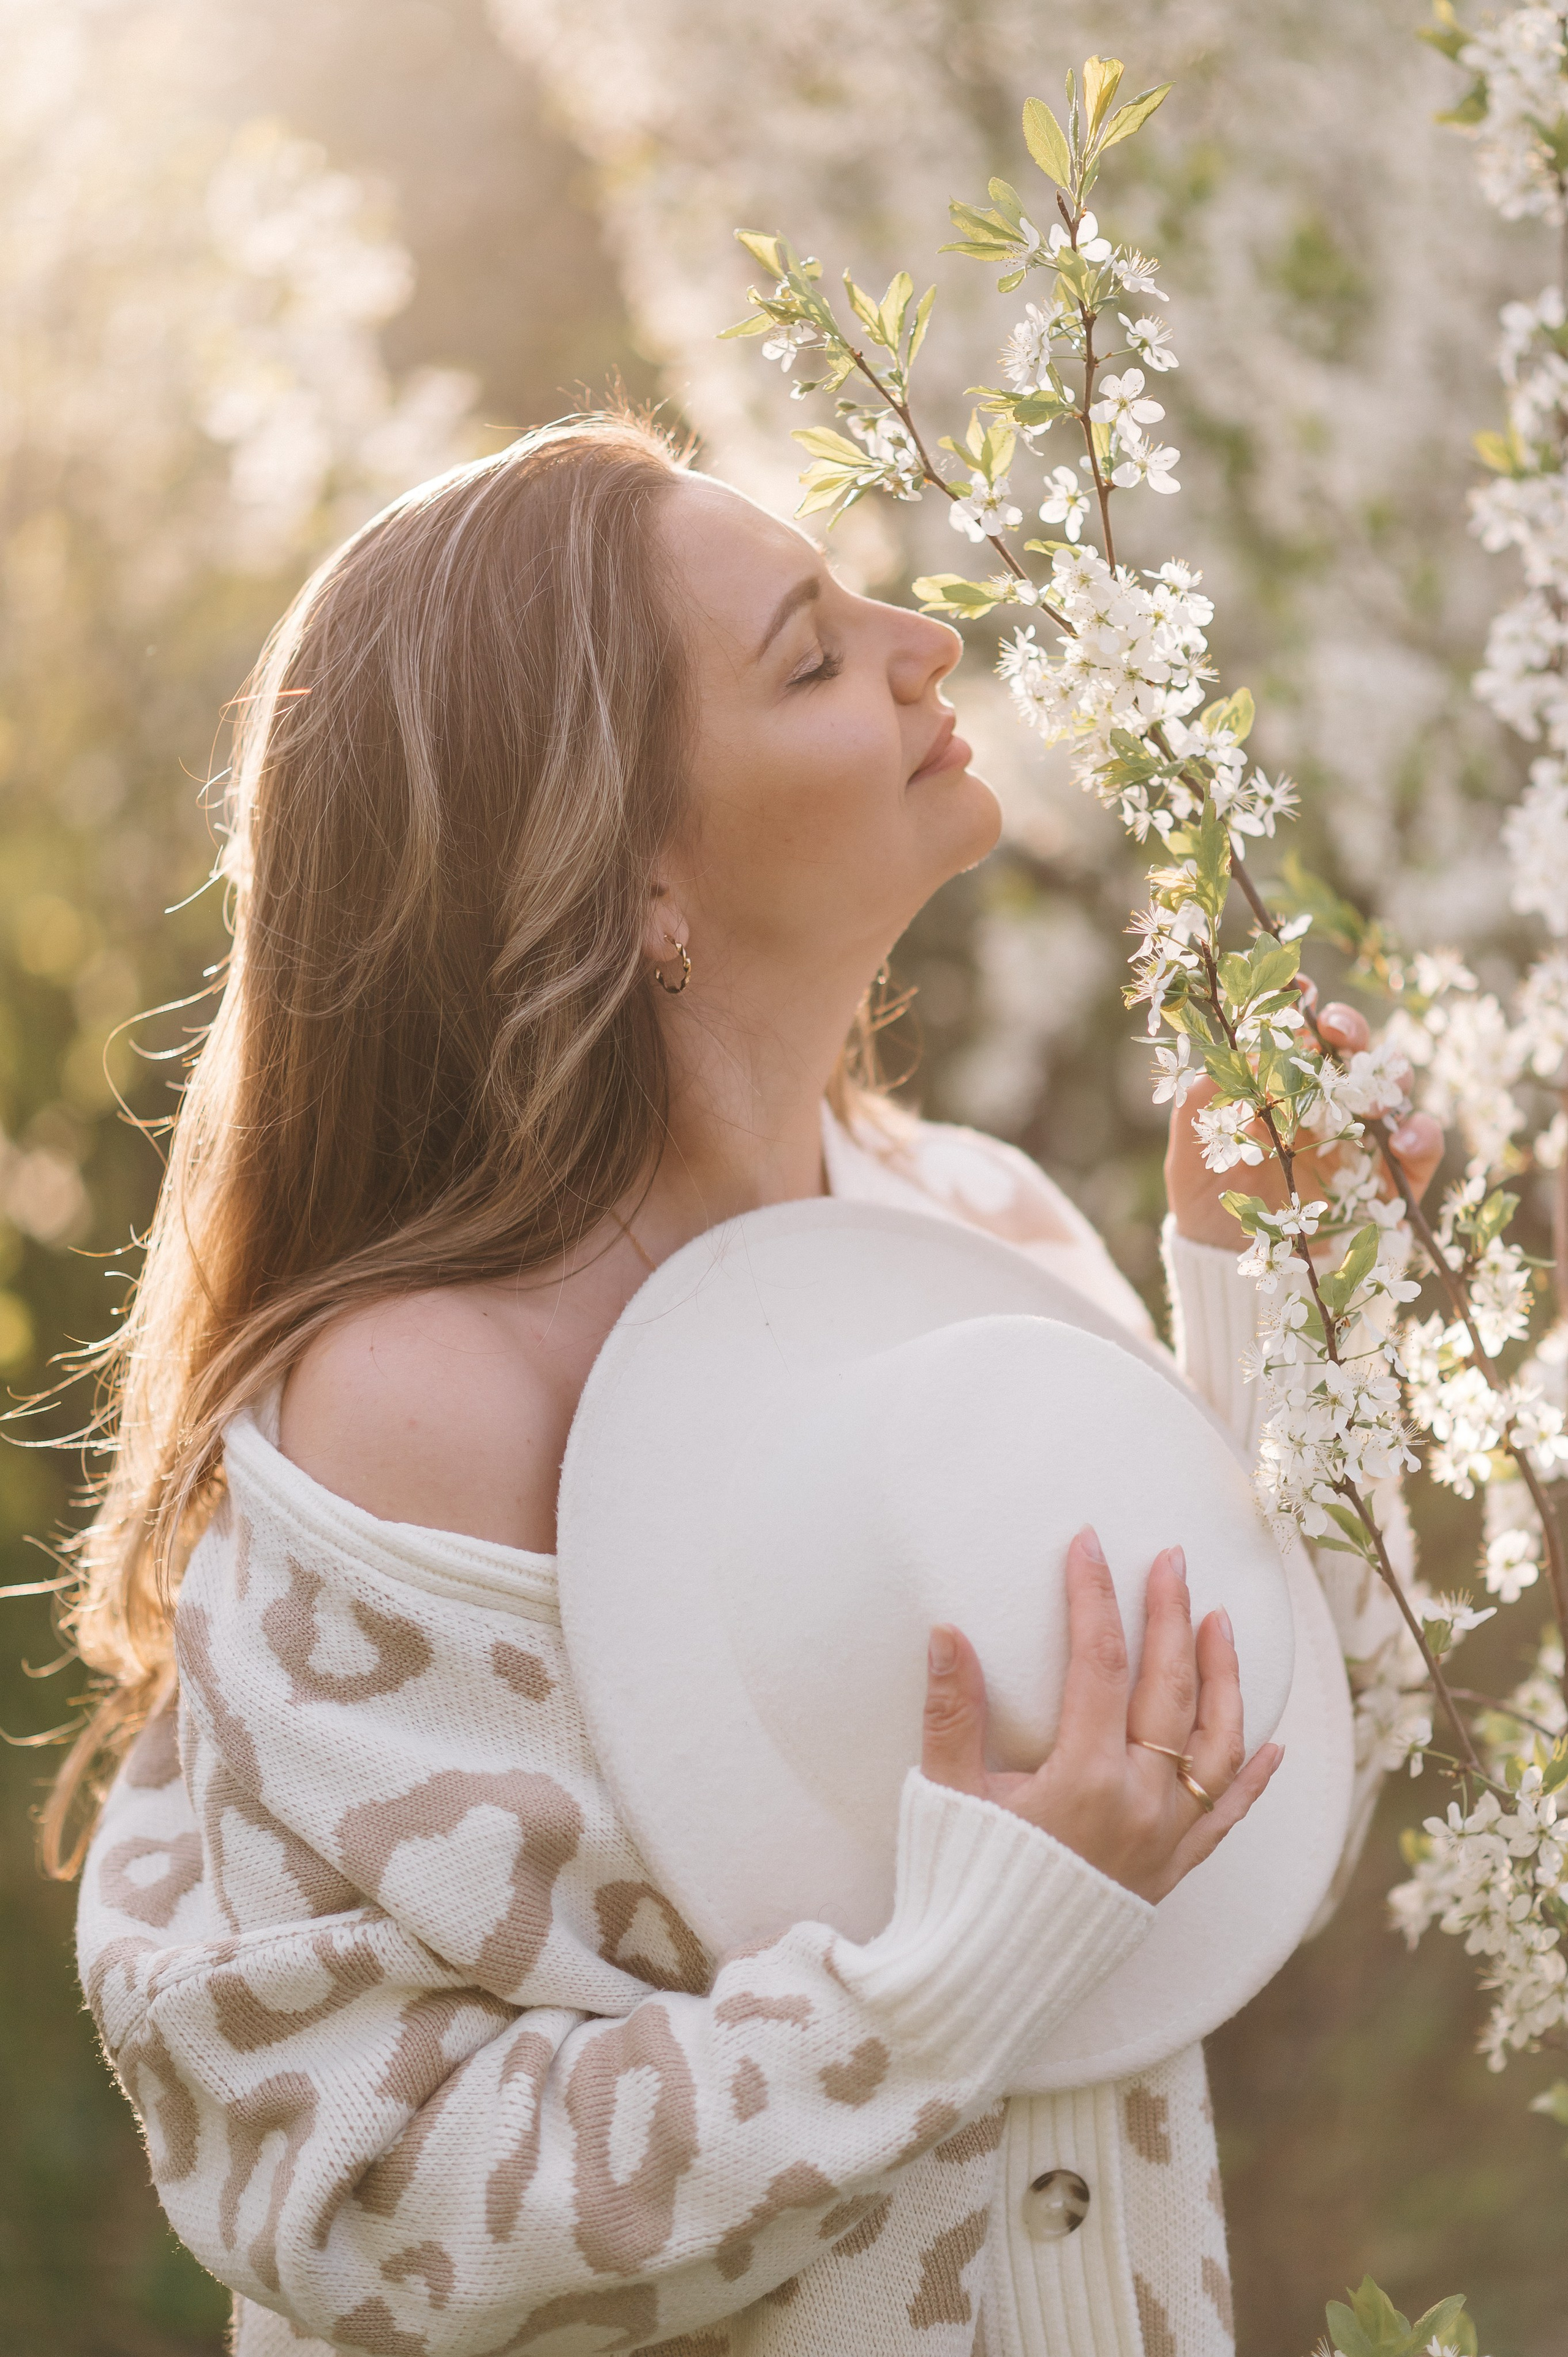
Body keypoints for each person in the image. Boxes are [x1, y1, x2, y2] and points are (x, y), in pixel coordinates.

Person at [65, 414, 1442, 2357]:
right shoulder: (417, 1407)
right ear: (631, 882)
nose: (925, 641)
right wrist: (952, 1976)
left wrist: (1272, 1274)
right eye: (811, 653)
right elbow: (375, 2203)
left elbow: (1258, 1850)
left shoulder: (989, 1229)